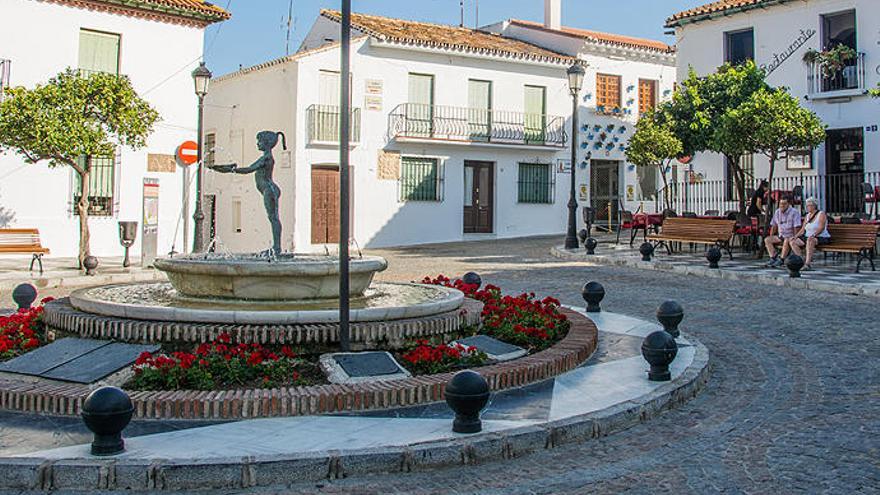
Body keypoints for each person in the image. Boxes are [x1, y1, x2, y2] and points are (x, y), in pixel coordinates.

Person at [211, 131, 286, 255]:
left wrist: (231, 169)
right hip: (269, 189)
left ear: (266, 143)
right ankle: (276, 247)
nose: (257, 144)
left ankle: (277, 248)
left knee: (273, 218)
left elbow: (248, 170)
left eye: (259, 141)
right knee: (273, 218)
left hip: (269, 189)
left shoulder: (266, 158)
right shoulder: (265, 157)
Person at [790, 197, 830, 270]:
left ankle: (807, 264)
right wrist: (796, 236)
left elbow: (821, 227)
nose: (807, 207)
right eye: (807, 205)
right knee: (793, 241)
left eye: (809, 205)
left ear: (814, 206)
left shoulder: (821, 214)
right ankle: (801, 261)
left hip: (820, 237)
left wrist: (813, 235)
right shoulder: (807, 215)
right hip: (808, 236)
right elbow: (803, 229)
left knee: (810, 240)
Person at [764, 197, 802, 267]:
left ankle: (782, 259)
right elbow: (774, 225)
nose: (782, 205)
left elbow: (796, 227)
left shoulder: (794, 212)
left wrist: (794, 237)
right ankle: (773, 257)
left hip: (790, 235)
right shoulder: (777, 212)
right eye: (780, 204)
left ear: (788, 204)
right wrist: (771, 235)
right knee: (767, 240)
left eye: (784, 204)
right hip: (781, 235)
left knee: (787, 240)